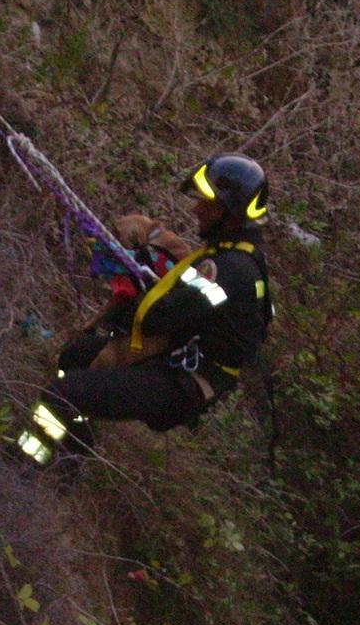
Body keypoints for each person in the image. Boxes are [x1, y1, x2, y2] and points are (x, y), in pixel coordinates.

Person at [15, 153, 274, 467]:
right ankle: (71, 455)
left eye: (208, 202)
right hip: (176, 361)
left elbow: (158, 317)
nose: (197, 209)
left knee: (61, 394)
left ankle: (24, 466)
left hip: (185, 381)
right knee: (75, 355)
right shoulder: (230, 256)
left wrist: (131, 302)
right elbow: (180, 303)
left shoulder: (230, 270)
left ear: (232, 214)